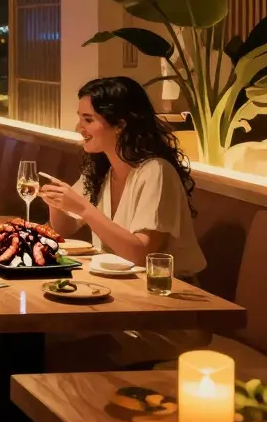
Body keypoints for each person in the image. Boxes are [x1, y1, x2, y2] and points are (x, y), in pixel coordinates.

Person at [38, 76, 209, 368]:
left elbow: (141, 254)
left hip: (167, 312)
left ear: (120, 124)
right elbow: (64, 229)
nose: (79, 127)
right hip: (120, 300)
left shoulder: (155, 171)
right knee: (40, 339)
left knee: (56, 349)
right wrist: (56, 202)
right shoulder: (102, 169)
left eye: (88, 119)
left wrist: (84, 209)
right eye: (80, 118)